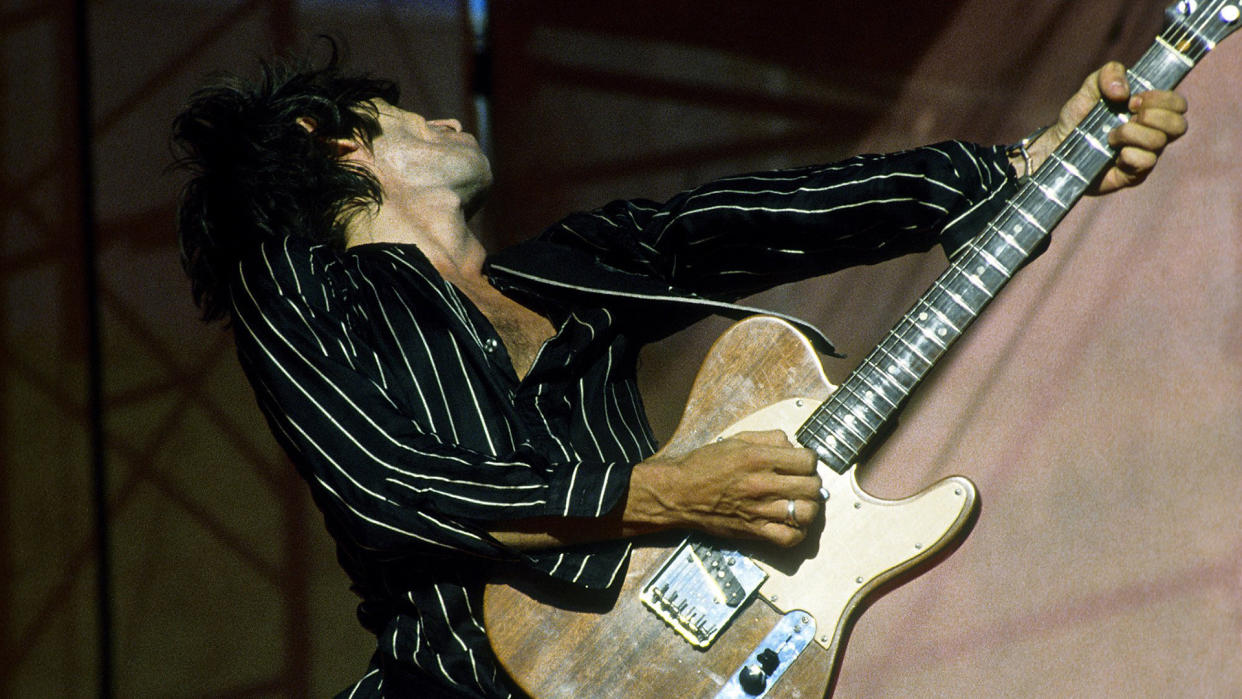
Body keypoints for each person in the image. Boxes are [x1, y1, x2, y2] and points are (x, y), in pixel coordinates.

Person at [172, 42, 1187, 697]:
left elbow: (744, 219)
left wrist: (1022, 166)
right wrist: (674, 493)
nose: (441, 119)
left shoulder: (560, 272)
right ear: (327, 140)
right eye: (394, 115)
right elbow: (398, 493)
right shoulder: (304, 291)